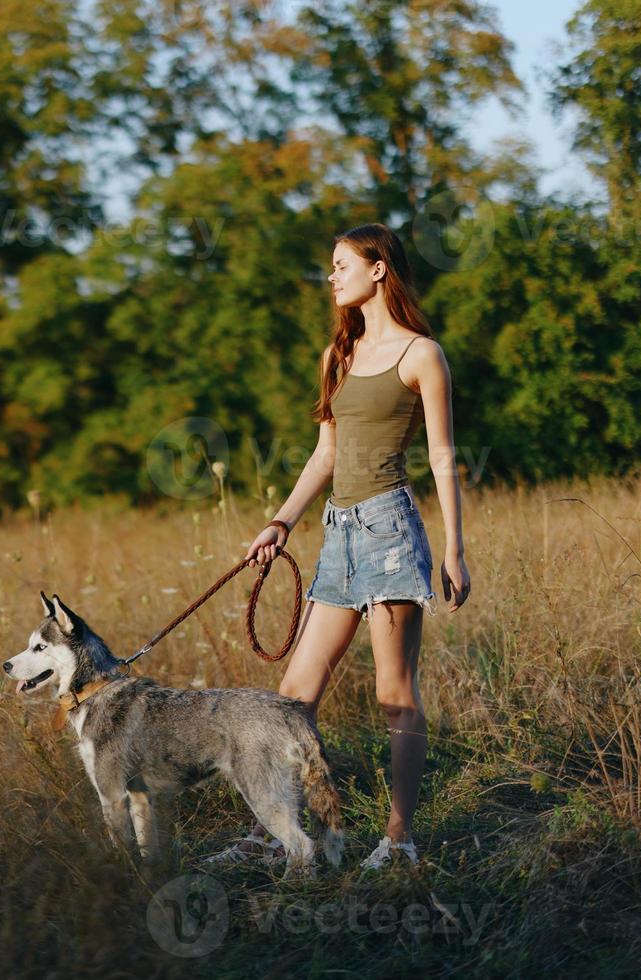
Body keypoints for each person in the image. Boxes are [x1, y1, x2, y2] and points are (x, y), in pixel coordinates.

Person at [236, 222, 472, 870]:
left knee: (394, 692)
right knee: (292, 699)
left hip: (391, 533)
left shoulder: (421, 354)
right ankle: (270, 836)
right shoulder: (335, 355)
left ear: (378, 270)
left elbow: (443, 456)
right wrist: (281, 521)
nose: (332, 276)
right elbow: (326, 454)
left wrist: (454, 549)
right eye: (331, 266)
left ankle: (398, 842)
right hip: (337, 536)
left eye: (343, 265)